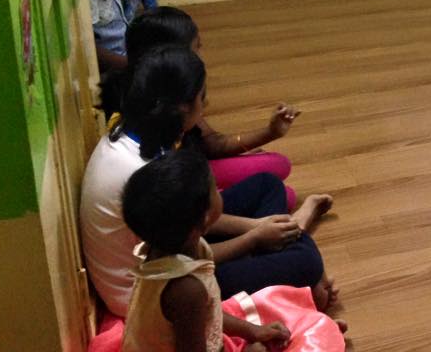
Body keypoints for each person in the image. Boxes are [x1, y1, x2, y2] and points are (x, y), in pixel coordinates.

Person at [80, 45, 336, 318]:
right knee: (306, 260)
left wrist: (256, 228)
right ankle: (293, 235)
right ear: (183, 107)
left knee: (267, 185)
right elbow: (182, 259)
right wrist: (253, 238)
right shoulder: (149, 174)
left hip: (166, 249)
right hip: (156, 291)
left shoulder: (140, 127)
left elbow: (195, 220)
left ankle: (284, 240)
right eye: (203, 98)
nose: (207, 106)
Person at [120, 150, 346, 352]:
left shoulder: (168, 248)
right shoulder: (186, 290)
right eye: (215, 188)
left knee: (281, 323)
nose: (221, 192)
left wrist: (253, 331)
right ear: (205, 217)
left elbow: (209, 313)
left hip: (196, 331)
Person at [101, 5, 300, 209]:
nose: (201, 55)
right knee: (282, 191)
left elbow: (210, 142)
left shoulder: (167, 91)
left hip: (185, 173)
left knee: (278, 169)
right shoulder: (162, 109)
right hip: (174, 192)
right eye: (196, 48)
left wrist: (271, 132)